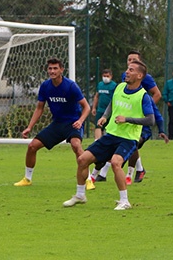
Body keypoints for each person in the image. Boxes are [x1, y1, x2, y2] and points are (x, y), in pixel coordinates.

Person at [64, 60, 154, 210]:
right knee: (82, 159)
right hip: (111, 135)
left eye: (131, 70)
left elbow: (150, 120)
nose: (127, 72)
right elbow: (112, 103)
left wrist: (127, 119)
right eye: (127, 69)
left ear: (139, 75)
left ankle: (124, 201)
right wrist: (105, 116)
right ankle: (80, 195)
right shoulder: (119, 87)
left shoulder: (143, 96)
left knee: (115, 163)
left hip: (128, 138)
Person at [14, 57, 92, 188]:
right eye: (50, 68)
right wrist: (29, 127)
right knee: (32, 146)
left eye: (55, 68)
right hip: (57, 124)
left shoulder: (71, 86)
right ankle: (27, 179)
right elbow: (40, 108)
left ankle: (88, 179)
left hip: (73, 123)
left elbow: (86, 107)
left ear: (61, 69)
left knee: (76, 145)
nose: (52, 71)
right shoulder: (45, 86)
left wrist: (80, 120)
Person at [119, 50, 161, 183]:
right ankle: (138, 169)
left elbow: (157, 94)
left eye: (133, 60)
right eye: (128, 60)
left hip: (140, 120)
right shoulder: (124, 76)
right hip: (127, 118)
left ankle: (130, 172)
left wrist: (144, 109)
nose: (130, 62)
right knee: (130, 143)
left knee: (133, 144)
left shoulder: (146, 78)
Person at [92, 69, 117, 140]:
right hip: (100, 109)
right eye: (104, 76)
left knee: (109, 127)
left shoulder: (114, 85)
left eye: (107, 76)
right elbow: (96, 96)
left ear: (111, 76)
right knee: (98, 125)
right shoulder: (100, 84)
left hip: (110, 110)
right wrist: (94, 107)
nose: (105, 78)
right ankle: (97, 141)